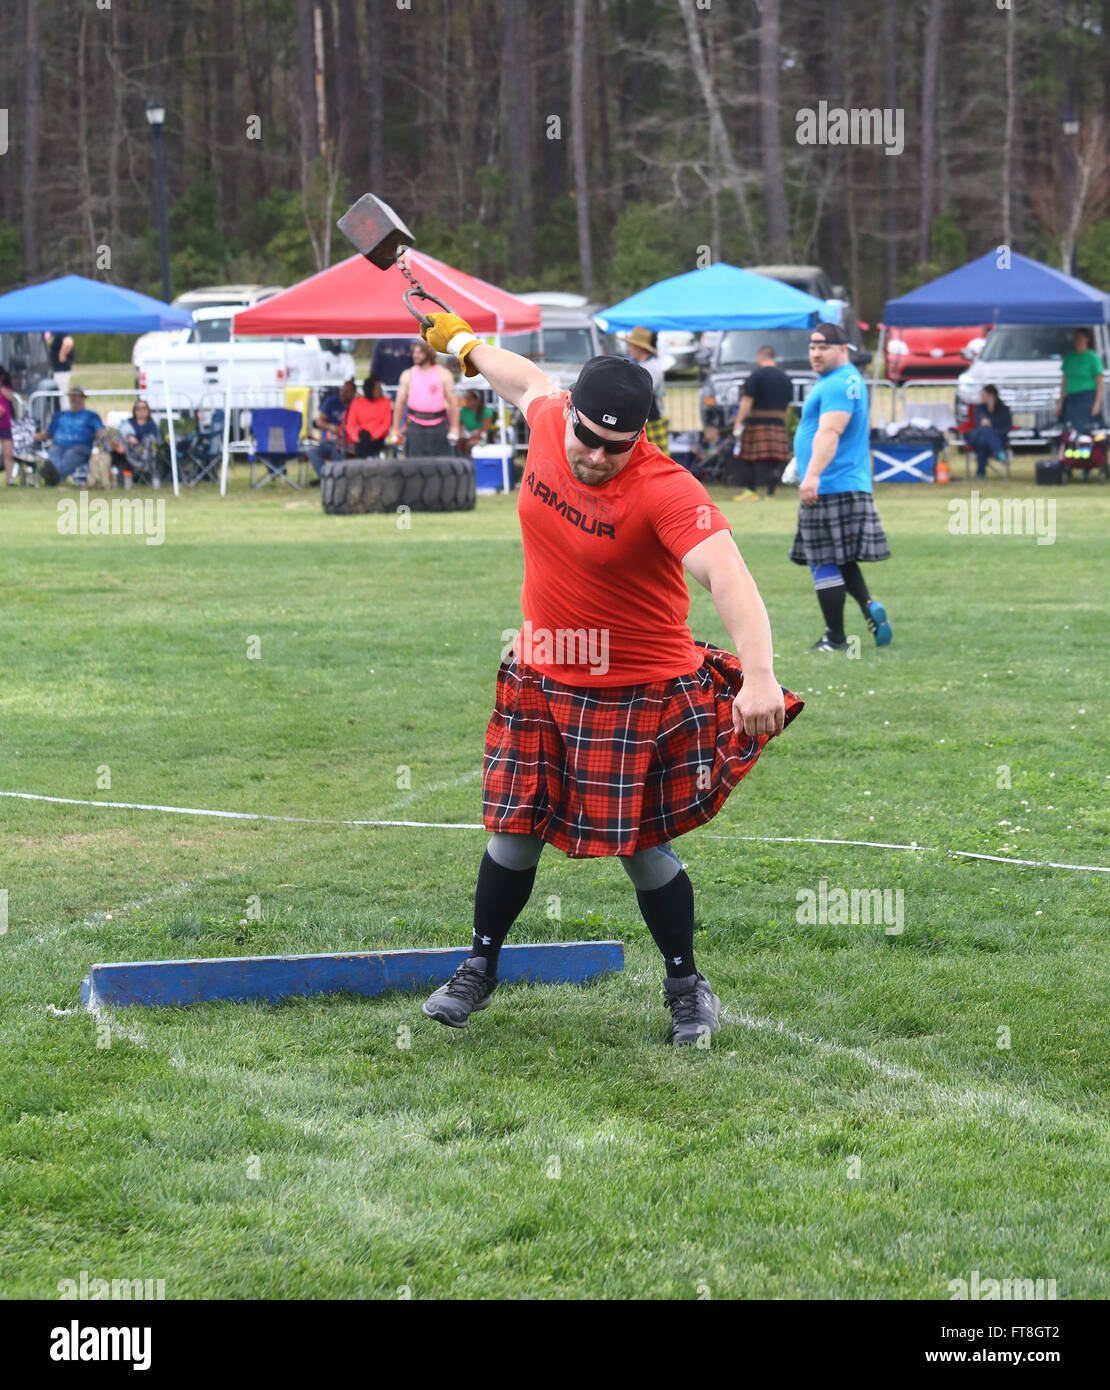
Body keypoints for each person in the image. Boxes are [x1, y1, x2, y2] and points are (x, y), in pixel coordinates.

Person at [411, 309, 803, 1045]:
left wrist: (760, 676)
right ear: (574, 417)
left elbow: (727, 571)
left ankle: (687, 985)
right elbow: (521, 376)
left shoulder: (665, 488)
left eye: (615, 447)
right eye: (586, 438)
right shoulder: (549, 415)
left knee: (641, 848)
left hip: (636, 690)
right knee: (513, 834)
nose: (594, 456)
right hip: (543, 676)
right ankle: (478, 969)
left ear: (642, 437)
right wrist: (461, 343)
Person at [789, 322, 893, 653]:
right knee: (842, 557)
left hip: (830, 483)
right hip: (844, 481)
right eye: (812, 347)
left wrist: (813, 475)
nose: (816, 354)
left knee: (822, 559)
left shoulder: (838, 383)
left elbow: (831, 431)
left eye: (823, 348)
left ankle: (834, 637)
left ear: (842, 350)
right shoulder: (845, 380)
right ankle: (869, 608)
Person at [731, 346, 793, 498]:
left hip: (756, 422)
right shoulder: (786, 378)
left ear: (760, 357)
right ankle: (771, 493)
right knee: (775, 460)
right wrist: (782, 422)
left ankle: (752, 491)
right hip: (778, 423)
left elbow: (747, 400)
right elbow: (787, 407)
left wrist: (738, 421)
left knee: (750, 458)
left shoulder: (755, 376)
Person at [390, 341, 460, 456]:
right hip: (415, 426)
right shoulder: (408, 375)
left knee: (440, 466)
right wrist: (396, 428)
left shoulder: (444, 374)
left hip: (439, 426)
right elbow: (400, 403)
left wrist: (454, 428)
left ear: (428, 354)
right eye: (414, 352)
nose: (415, 355)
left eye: (419, 352)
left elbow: (453, 403)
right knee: (414, 466)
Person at [33, 384, 106, 484]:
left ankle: (54, 476)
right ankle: (53, 474)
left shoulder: (91, 415)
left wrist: (105, 438)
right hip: (59, 445)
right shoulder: (60, 415)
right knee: (54, 453)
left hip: (80, 446)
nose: (73, 398)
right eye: (71, 395)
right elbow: (48, 432)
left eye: (76, 395)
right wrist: (36, 436)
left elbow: (101, 431)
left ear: (82, 398)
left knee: (71, 454)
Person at [619, 325, 668, 449]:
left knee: (658, 457)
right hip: (646, 419)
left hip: (653, 420)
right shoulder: (643, 365)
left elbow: (642, 394)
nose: (629, 348)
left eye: (631, 345)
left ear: (639, 347)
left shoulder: (651, 367)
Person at [1057, 327, 1105, 433]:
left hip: (1086, 397)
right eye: (1076, 338)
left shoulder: (1092, 357)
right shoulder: (1070, 357)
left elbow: (1100, 382)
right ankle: (1072, 448)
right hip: (1071, 397)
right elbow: (1064, 381)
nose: (1077, 340)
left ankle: (1085, 449)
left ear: (1086, 339)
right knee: (1070, 428)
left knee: (1084, 428)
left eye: (1079, 338)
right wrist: (1060, 402)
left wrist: (1097, 403)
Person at [105, 399, 161, 487]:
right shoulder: (129, 422)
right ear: (134, 411)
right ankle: (113, 478)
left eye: (144, 408)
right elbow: (119, 433)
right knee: (112, 433)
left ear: (148, 410)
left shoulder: (152, 425)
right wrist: (128, 437)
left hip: (141, 453)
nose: (141, 410)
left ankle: (120, 478)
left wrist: (134, 441)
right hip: (124, 448)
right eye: (138, 408)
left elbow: (152, 440)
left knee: (124, 450)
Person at [306, 379, 356, 477]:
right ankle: (325, 478)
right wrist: (333, 428)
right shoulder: (331, 402)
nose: (344, 394)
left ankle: (335, 478)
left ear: (354, 393)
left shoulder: (356, 405)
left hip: (345, 442)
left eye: (347, 391)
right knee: (312, 451)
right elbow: (319, 421)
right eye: (343, 390)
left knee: (338, 452)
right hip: (327, 441)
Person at [965, 385, 1012, 479]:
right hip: (975, 438)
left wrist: (990, 421)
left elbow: (1006, 427)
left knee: (983, 441)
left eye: (984, 395)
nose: (981, 397)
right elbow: (980, 423)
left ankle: (980, 472)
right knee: (984, 430)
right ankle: (999, 453)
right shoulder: (979, 408)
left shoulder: (1004, 410)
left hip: (995, 438)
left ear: (991, 396)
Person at [345, 375, 393, 457]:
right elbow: (350, 425)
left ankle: (364, 462)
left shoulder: (386, 402)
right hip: (362, 438)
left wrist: (374, 436)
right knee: (364, 435)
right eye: (377, 388)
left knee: (365, 442)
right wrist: (356, 438)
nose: (380, 390)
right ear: (370, 389)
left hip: (378, 438)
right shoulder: (357, 403)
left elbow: (386, 424)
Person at [458, 388, 496, 458]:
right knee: (459, 443)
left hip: (484, 441)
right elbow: (460, 429)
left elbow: (484, 434)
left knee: (471, 444)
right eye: (466, 398)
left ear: (477, 400)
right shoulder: (463, 411)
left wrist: (470, 437)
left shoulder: (487, 412)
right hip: (468, 438)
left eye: (469, 399)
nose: (466, 401)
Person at [48, 331, 76, 396]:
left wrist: (62, 354)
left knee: (61, 393)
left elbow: (68, 342)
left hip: (61, 369)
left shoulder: (61, 332)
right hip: (58, 369)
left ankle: (63, 406)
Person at [0, 368, 15, 486]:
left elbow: (10, 397)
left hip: (5, 424)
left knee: (8, 453)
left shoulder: (6, 388)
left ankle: (9, 479)